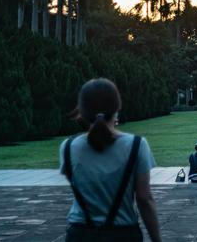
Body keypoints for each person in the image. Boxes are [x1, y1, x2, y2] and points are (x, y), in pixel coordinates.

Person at [59, 78, 161, 242]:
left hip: (81, 234)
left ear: (82, 109)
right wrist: (157, 239)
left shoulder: (68, 147)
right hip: (123, 233)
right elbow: (144, 199)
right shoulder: (136, 145)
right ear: (117, 107)